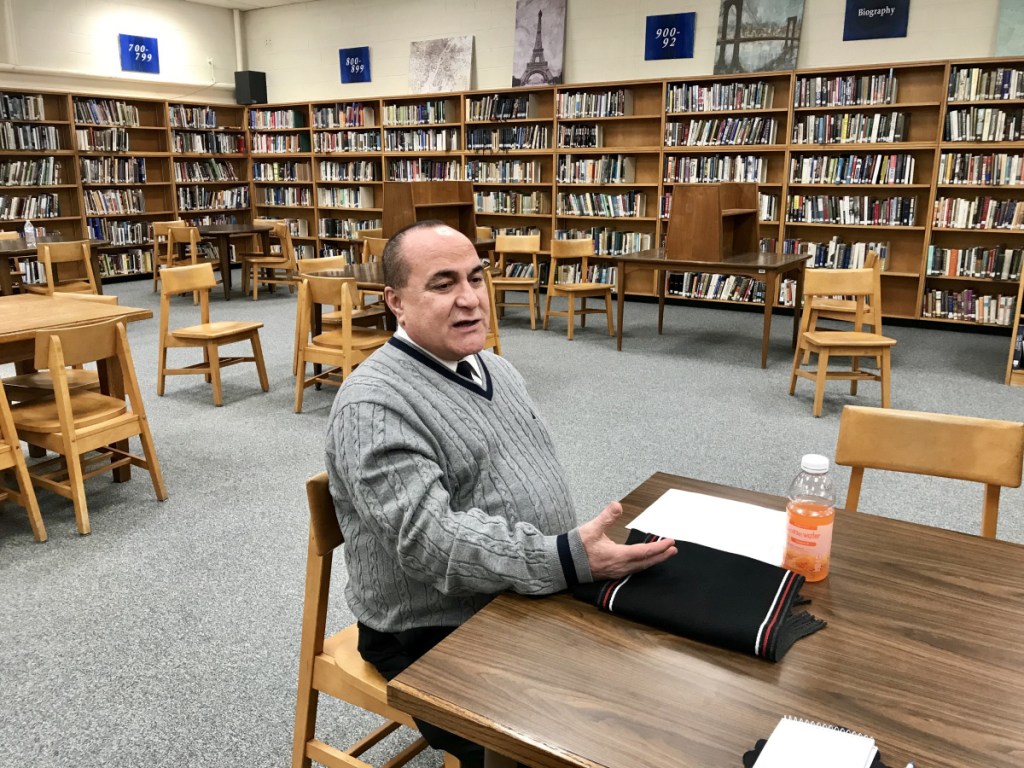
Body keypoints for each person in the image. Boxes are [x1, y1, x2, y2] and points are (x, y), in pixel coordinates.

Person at [325, 220, 676, 766]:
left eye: (476, 278)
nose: (470, 301)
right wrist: (563, 556)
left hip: (516, 590)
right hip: (428, 626)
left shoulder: (496, 368)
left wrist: (563, 556)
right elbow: (431, 544)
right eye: (443, 285)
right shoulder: (373, 405)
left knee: (657, 665)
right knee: (572, 734)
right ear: (395, 301)